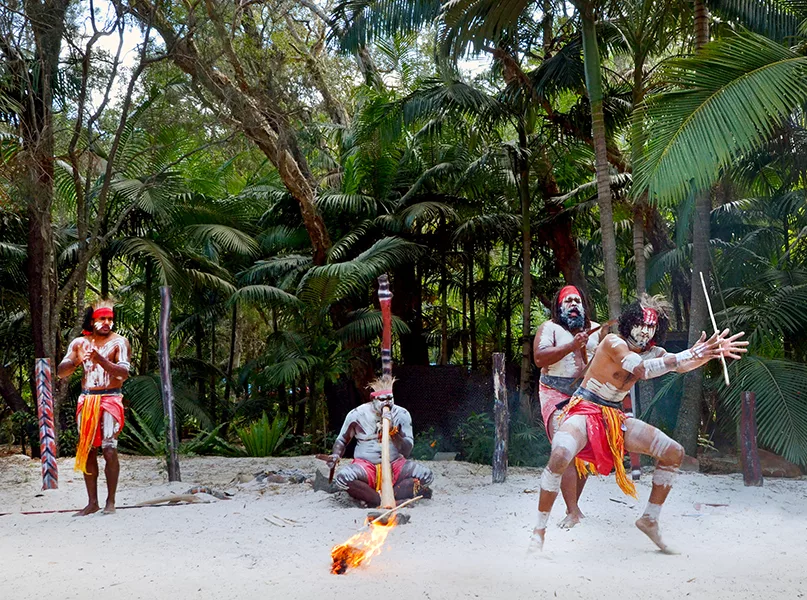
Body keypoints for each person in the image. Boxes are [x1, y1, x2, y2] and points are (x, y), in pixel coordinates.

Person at [529, 294, 747, 553]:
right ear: (629, 322)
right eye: (640, 324)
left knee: (673, 452)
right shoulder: (613, 342)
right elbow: (641, 370)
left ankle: (650, 519)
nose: (645, 331)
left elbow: (682, 364)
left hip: (613, 417)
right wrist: (689, 353)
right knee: (561, 453)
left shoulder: (655, 352)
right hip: (584, 410)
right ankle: (539, 532)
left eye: (651, 326)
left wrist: (709, 353)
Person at [533, 285, 602, 528]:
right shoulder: (549, 328)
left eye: (577, 301)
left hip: (586, 396)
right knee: (565, 448)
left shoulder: (597, 330)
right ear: (559, 306)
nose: (573, 304)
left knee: (586, 453)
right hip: (555, 394)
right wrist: (572, 345)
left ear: (584, 306)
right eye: (568, 301)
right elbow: (540, 358)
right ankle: (572, 512)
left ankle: (574, 507)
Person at [57, 299, 131, 515]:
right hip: (87, 399)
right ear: (93, 320)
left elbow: (123, 374)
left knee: (109, 448)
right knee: (88, 449)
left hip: (110, 398)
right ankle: (92, 503)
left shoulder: (120, 343)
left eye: (110, 319)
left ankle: (111, 502)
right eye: (102, 319)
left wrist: (100, 360)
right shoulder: (79, 343)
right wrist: (75, 362)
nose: (107, 322)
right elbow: (62, 372)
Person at [327, 375, 434, 506]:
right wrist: (336, 455)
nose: (387, 403)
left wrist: (392, 432)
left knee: (426, 475)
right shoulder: (357, 414)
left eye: (390, 398)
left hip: (395, 464)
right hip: (365, 467)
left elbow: (406, 450)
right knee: (343, 478)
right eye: (382, 400)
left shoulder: (401, 414)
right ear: (373, 400)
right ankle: (380, 501)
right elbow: (342, 441)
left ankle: (379, 499)